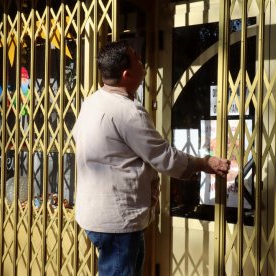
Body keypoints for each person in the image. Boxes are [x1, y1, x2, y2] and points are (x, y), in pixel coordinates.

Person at [72, 40, 230, 276]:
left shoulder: (91, 102)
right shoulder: (127, 111)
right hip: (118, 221)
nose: (142, 61)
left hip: (93, 213)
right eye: (136, 58)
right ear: (126, 74)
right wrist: (203, 163)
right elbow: (163, 157)